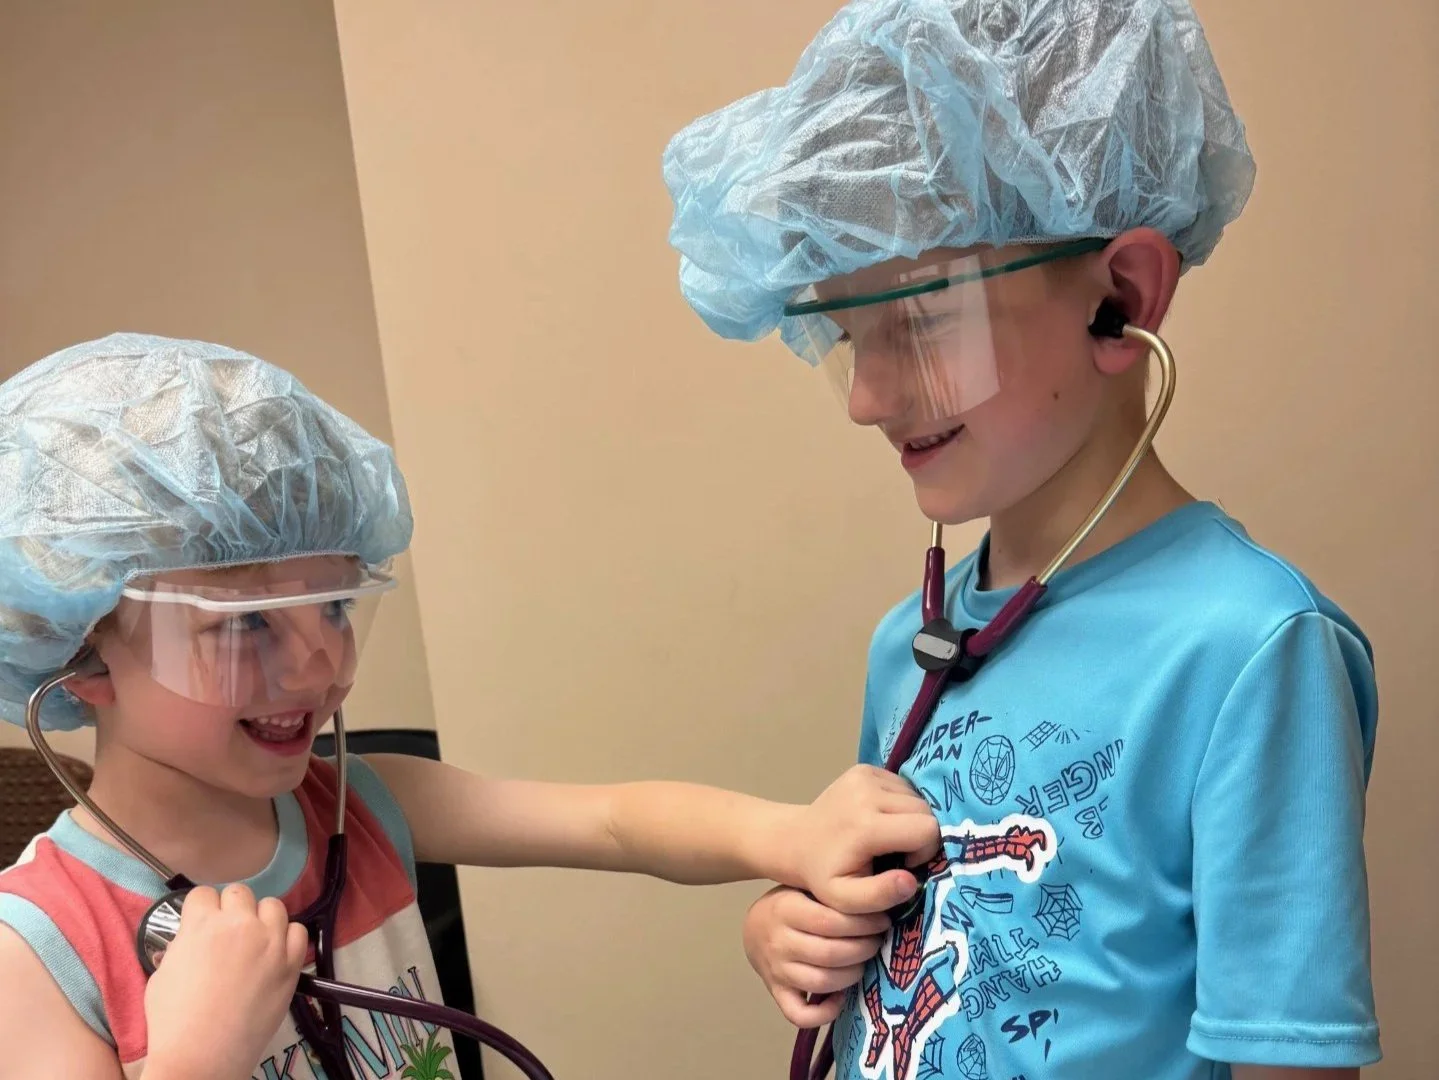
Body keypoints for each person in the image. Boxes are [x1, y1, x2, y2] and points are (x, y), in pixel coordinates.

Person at [661, 1, 1380, 1078]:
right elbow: (904, 916)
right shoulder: (911, 644)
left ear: (1118, 298)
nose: (864, 398)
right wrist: (793, 926)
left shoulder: (1247, 650)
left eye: (917, 322)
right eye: (847, 335)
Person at [0, 332, 942, 1080]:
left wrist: (792, 836)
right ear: (81, 655)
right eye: (247, 625)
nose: (320, 664)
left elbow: (612, 823)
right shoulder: (38, 951)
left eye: (335, 607)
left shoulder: (362, 807)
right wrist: (196, 1063)